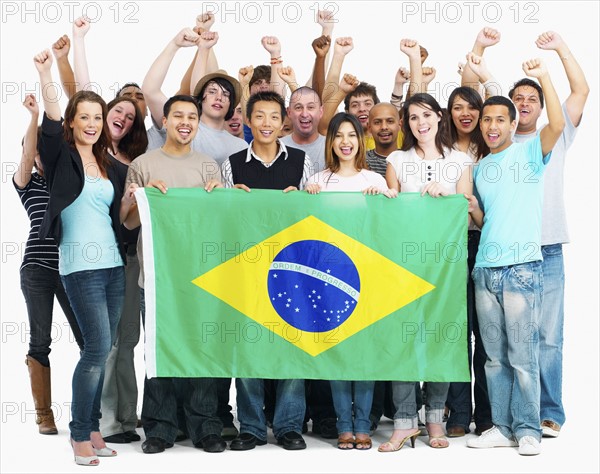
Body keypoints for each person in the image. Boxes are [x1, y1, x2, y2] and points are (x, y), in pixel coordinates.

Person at [465, 58, 565, 456]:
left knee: (523, 355)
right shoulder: (481, 167)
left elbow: (556, 125)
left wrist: (543, 75)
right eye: (486, 120)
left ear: (512, 123)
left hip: (522, 268)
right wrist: (468, 205)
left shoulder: (528, 154)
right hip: (485, 270)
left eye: (499, 120)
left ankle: (528, 429)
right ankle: (501, 427)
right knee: (493, 357)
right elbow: (488, 218)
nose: (491, 127)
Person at [34, 50, 126, 466]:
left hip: (113, 267)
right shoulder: (60, 157)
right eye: (83, 117)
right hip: (79, 266)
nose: (91, 124)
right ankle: (78, 435)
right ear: (73, 121)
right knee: (96, 347)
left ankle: (92, 427)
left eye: (96, 117)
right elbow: (50, 122)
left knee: (105, 350)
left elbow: (121, 214)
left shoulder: (109, 164)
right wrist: (46, 71)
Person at [121, 94, 226, 454]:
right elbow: (128, 220)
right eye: (178, 115)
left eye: (192, 116)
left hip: (201, 276)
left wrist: (219, 197)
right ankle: (160, 427)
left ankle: (205, 425)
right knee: (159, 350)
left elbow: (221, 223)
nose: (185, 121)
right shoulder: (143, 164)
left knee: (201, 348)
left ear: (198, 123)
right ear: (164, 121)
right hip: (157, 278)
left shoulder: (209, 166)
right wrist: (139, 197)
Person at [68, 17, 150, 444]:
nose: (119, 116)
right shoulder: (88, 151)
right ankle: (99, 422)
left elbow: (129, 214)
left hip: (129, 258)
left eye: (128, 115)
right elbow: (82, 93)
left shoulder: (131, 163)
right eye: (115, 109)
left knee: (127, 342)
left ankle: (125, 418)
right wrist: (78, 42)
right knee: (106, 345)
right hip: (91, 260)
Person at [381, 93, 473, 452]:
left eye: (427, 115)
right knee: (403, 340)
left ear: (438, 117)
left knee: (441, 339)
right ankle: (404, 422)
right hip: (403, 265)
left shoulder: (460, 161)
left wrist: (446, 200)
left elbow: (465, 213)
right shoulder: (397, 160)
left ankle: (435, 419)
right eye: (414, 117)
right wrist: (386, 195)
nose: (421, 123)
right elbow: (387, 215)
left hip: (446, 266)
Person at [509, 31, 589, 439]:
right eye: (517, 100)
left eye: (532, 99)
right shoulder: (500, 141)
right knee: (509, 340)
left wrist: (558, 49)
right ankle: (513, 412)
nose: (524, 105)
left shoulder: (556, 134)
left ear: (542, 106)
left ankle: (550, 412)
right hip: (510, 251)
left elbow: (582, 89)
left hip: (549, 248)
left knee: (548, 337)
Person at [223, 91, 312, 451]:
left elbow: (314, 219)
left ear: (283, 121)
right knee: (248, 348)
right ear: (248, 119)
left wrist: (300, 203)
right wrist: (231, 203)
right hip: (247, 269)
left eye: (274, 117)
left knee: (292, 344)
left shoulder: (301, 162)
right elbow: (222, 221)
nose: (266, 124)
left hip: (292, 267)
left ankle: (289, 425)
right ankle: (251, 427)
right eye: (259, 116)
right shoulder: (232, 164)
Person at [306, 112, 393, 450]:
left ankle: (363, 425)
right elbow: (306, 230)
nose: (345, 141)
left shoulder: (374, 180)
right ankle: (345, 424)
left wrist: (383, 200)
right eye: (339, 136)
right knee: (340, 352)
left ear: (361, 140)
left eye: (352, 135)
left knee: (365, 353)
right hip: (330, 278)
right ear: (331, 142)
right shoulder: (317, 180)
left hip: (367, 275)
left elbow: (385, 229)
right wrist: (307, 195)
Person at [14, 94, 84, 436]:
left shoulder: (68, 179)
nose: (40, 154)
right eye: (36, 149)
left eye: (45, 148)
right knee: (40, 340)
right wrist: (35, 119)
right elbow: (28, 155)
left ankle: (96, 410)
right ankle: (44, 413)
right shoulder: (28, 183)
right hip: (38, 269)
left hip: (71, 267)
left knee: (90, 340)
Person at [444, 86, 492, 438]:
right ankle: (458, 412)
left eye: (471, 107)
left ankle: (487, 414)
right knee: (457, 333)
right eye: (457, 107)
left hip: (485, 243)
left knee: (485, 334)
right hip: (450, 246)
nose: (465, 113)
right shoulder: (441, 151)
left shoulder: (491, 147)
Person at [281, 86, 326, 173]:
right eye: (298, 108)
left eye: (310, 107)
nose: (304, 114)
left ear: (321, 112)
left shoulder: (332, 147)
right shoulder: (277, 147)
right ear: (289, 112)